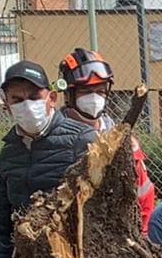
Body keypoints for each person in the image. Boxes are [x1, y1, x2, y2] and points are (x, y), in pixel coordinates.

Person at [0, 60, 97, 258]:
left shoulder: (82, 141)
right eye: (17, 99)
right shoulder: (9, 153)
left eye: (34, 96)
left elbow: (101, 215)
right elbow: (0, 224)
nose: (27, 105)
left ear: (52, 98)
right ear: (6, 103)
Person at [58, 47, 155, 233]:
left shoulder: (125, 142)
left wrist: (140, 238)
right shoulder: (53, 141)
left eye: (100, 91)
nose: (94, 98)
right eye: (86, 91)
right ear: (68, 94)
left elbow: (144, 196)